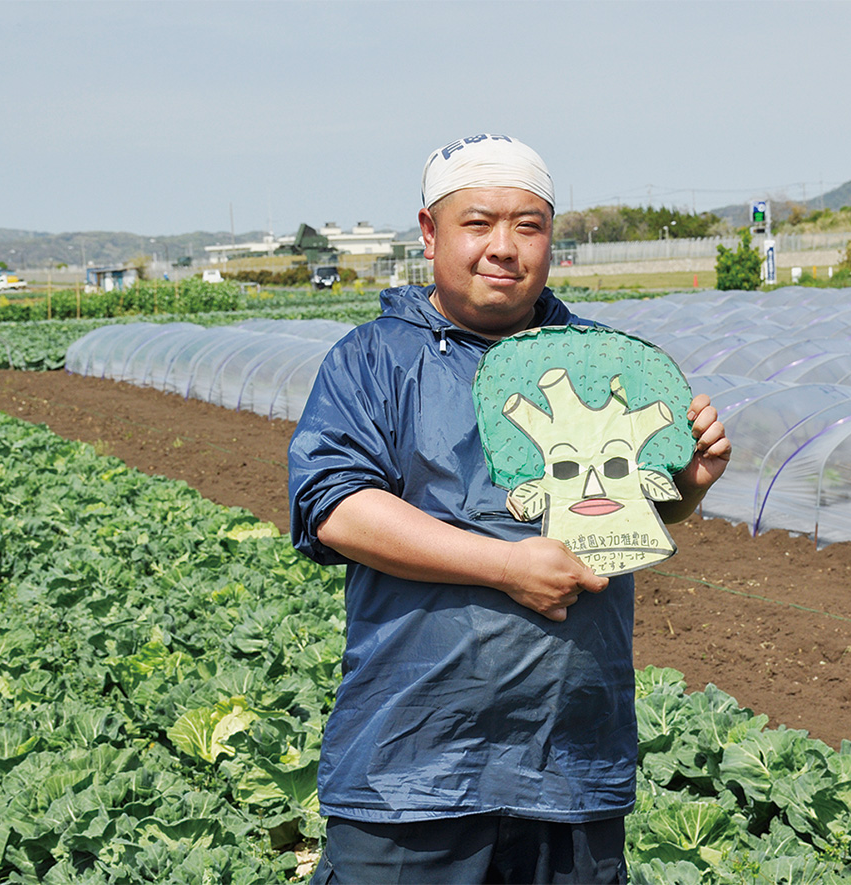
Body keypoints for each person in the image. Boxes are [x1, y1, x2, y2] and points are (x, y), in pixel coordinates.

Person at [289, 134, 730, 884]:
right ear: (430, 233)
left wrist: (687, 481)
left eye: (528, 225)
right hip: (410, 767)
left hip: (570, 761)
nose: (504, 247)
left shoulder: (600, 361)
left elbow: (628, 518)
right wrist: (506, 566)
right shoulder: (373, 360)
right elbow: (335, 506)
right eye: (479, 223)